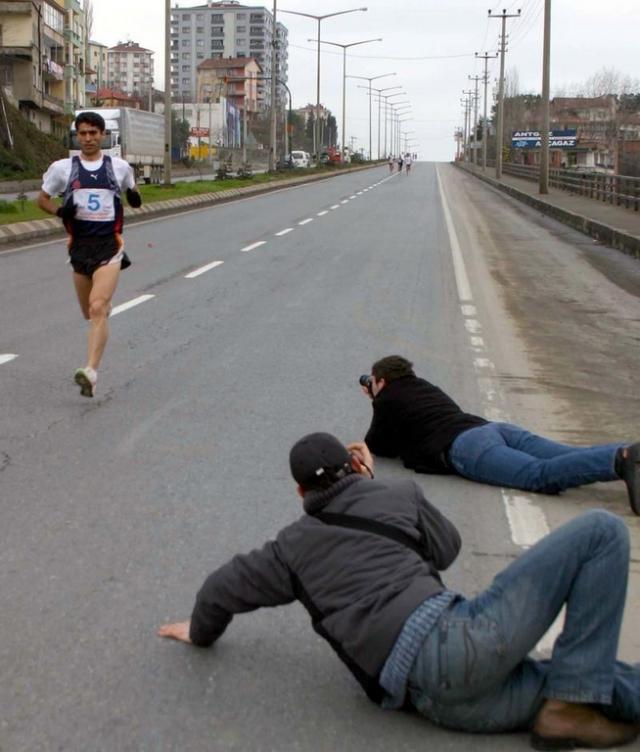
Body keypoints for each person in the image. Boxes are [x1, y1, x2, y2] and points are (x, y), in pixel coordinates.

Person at [159, 432, 640, 749]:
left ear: (301, 493)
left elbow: (220, 588)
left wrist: (199, 633)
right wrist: (375, 487)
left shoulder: (287, 550)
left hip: (433, 702)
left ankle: (568, 705)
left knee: (600, 681)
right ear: (354, 465)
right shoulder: (395, 494)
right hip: (456, 645)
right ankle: (572, 701)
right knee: (602, 532)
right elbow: (446, 549)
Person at [361, 355, 640, 514]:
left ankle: (621, 460)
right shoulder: (425, 387)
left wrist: (375, 399)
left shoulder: (387, 398)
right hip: (492, 428)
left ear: (382, 381)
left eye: (372, 382)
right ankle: (631, 453)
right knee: (569, 454)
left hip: (466, 447)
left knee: (538, 475)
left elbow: (377, 445)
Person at [37, 111, 143, 398]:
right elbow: (42, 200)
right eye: (82, 133)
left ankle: (91, 371)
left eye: (93, 133)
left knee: (97, 307)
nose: (88, 138)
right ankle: (102, 313)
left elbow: (133, 195)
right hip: (79, 248)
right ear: (77, 136)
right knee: (90, 312)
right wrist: (60, 211)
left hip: (109, 246)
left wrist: (134, 198)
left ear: (102, 135)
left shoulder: (118, 167)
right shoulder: (62, 168)